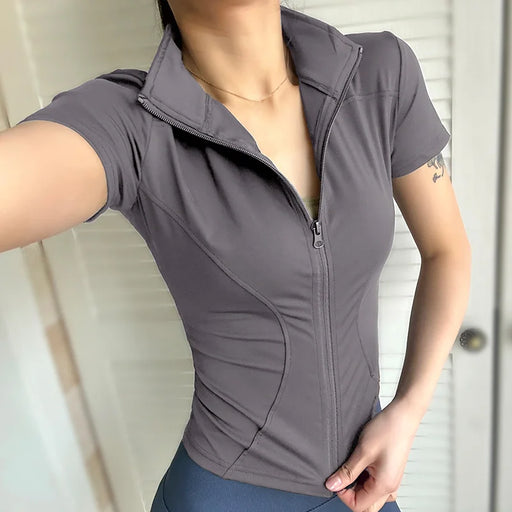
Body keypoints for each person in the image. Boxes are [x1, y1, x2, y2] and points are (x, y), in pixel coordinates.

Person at [1, 0, 471, 511]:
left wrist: (408, 410)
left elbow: (447, 251)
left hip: (367, 482)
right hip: (226, 494)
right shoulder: (132, 124)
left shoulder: (381, 75)